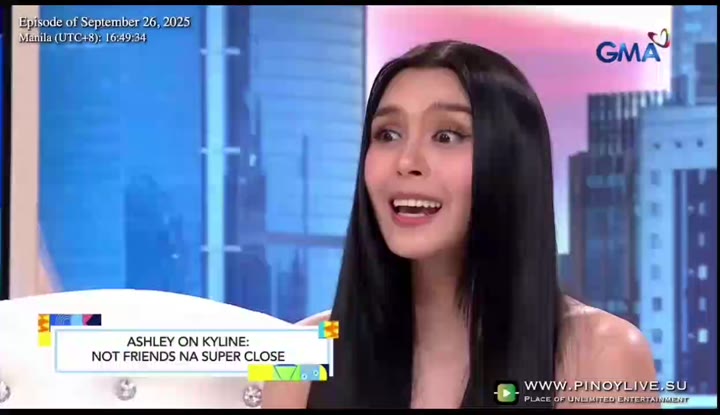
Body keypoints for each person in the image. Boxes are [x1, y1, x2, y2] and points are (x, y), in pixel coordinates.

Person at [263, 40, 659, 409]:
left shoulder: (606, 354)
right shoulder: (299, 355)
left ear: (510, 163)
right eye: (388, 134)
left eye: (446, 136)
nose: (406, 161)